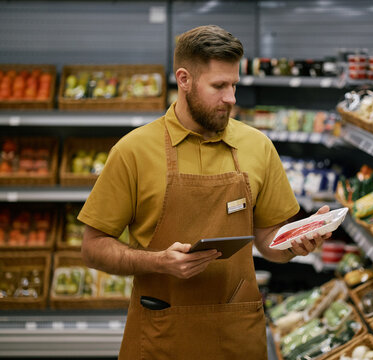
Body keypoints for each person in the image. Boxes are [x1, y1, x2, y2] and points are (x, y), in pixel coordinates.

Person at [79, 24, 332, 359]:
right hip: (163, 335)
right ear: (184, 80)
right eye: (219, 86)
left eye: (234, 85)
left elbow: (267, 239)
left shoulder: (258, 146)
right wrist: (157, 262)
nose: (231, 98)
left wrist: (294, 244)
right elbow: (93, 247)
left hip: (237, 334)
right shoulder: (133, 152)